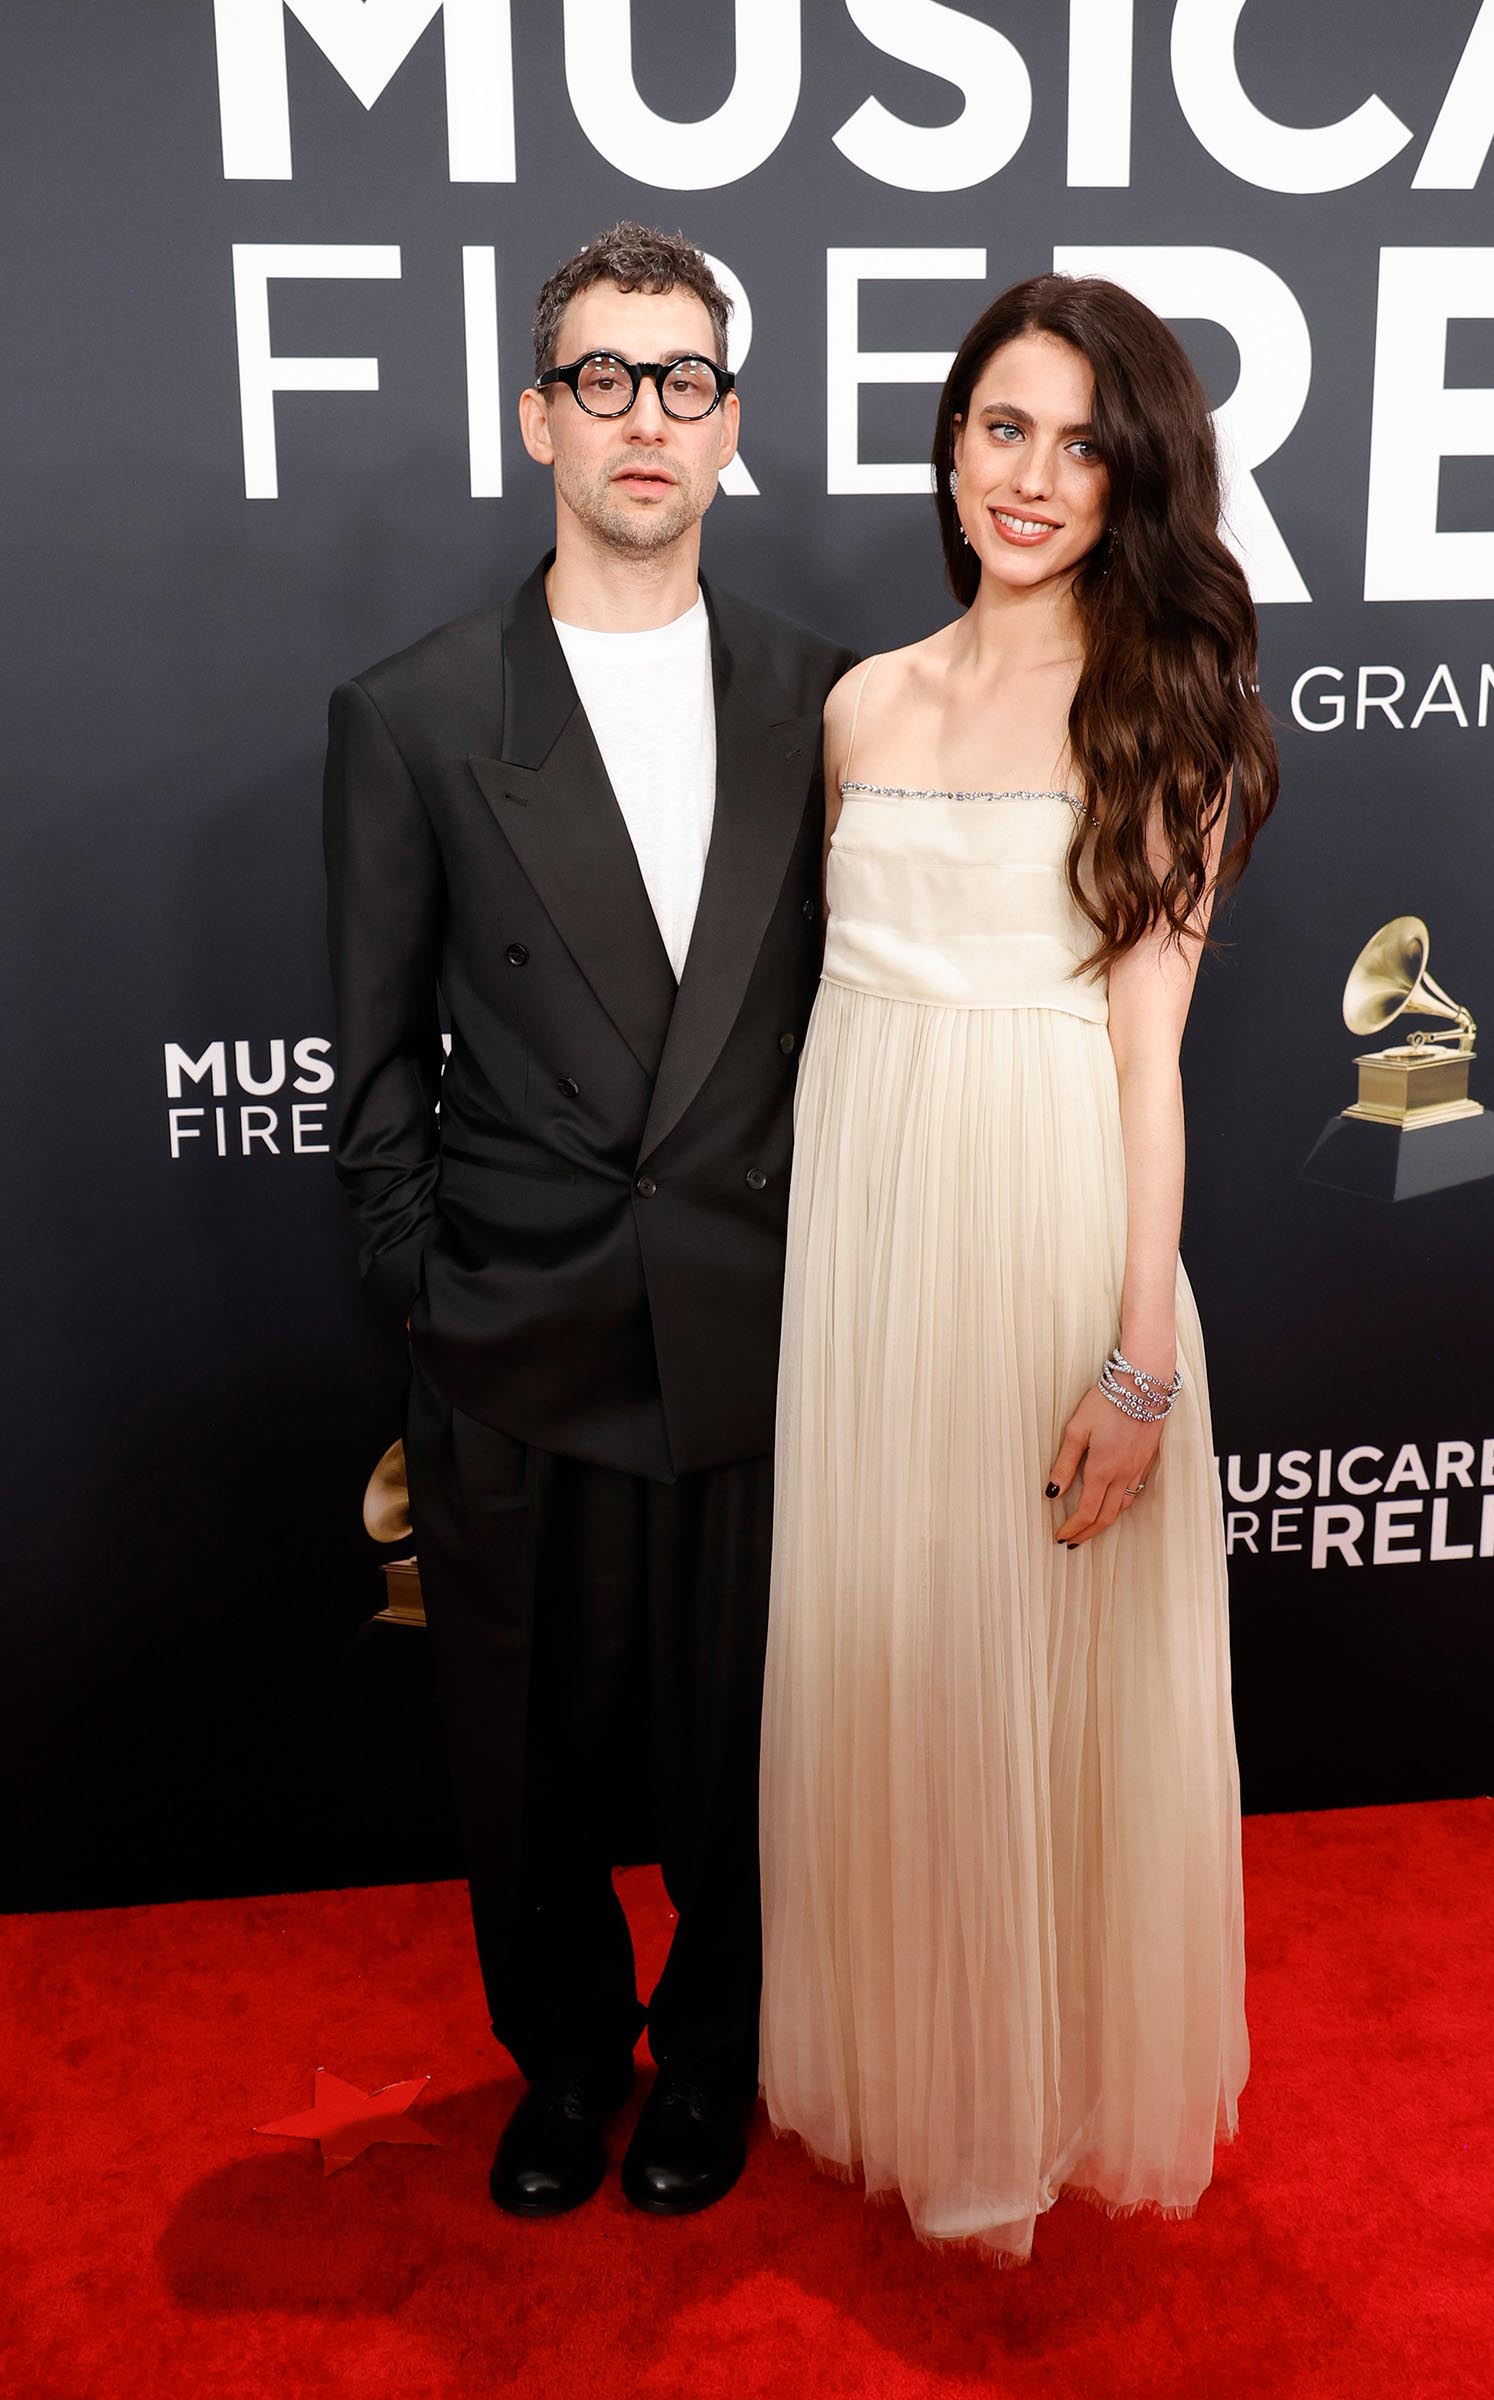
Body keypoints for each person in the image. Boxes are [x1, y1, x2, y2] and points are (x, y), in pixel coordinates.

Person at [323, 222, 852, 2220]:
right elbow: (369, 1068)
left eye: (683, 379)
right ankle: (563, 2067)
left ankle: (711, 2063)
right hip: (519, 1341)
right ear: (537, 416)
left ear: (729, 423)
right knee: (524, 1774)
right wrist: (435, 1306)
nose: (647, 417)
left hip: (756, 1332)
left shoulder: (829, 705)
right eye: (604, 379)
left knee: (743, 1768)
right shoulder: (409, 711)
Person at [758, 274, 1279, 2260]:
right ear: (949, 443)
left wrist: (1135, 1356)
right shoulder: (859, 704)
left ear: (1132, 474)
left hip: (1050, 1230)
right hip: (865, 1244)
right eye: (1002, 427)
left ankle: (1020, 2107)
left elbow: (1141, 1058)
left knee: (1028, 1681)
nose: (1034, 477)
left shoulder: (1162, 712)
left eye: (1080, 442)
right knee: (891, 1668)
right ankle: (913, 2066)